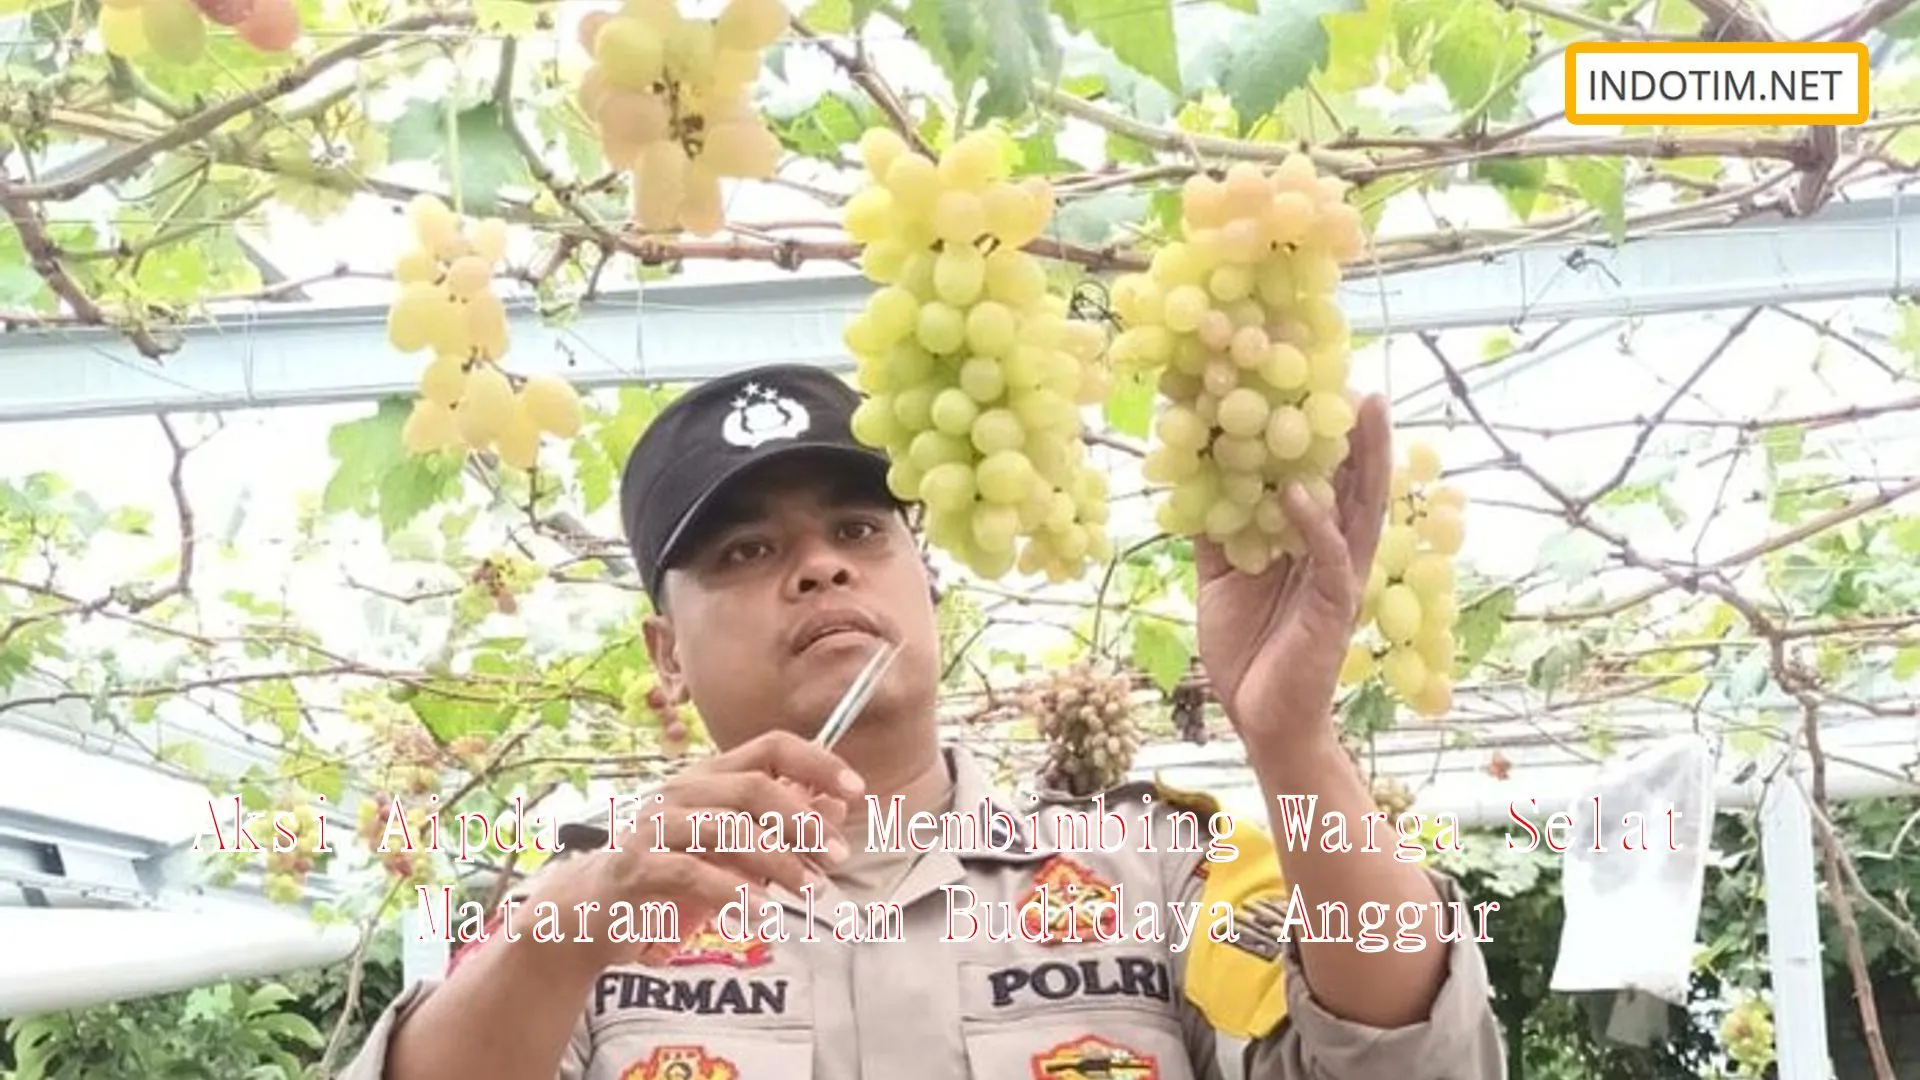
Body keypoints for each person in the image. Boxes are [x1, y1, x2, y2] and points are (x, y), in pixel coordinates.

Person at [341, 362, 1508, 1080]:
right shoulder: (581, 914)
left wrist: (1293, 740)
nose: (817, 570)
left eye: (859, 533)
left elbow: (1411, 1063)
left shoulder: (1156, 870)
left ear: (923, 579)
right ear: (666, 657)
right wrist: (581, 917)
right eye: (748, 552)